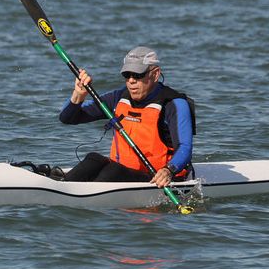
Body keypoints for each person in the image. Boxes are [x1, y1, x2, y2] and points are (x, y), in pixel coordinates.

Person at [59, 46, 195, 188]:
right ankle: (63, 186)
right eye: (127, 75)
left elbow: (185, 147)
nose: (131, 81)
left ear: (155, 74)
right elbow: (68, 118)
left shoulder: (174, 104)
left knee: (113, 171)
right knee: (93, 159)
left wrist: (169, 170)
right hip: (121, 172)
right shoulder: (118, 98)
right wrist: (78, 96)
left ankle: (80, 193)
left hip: (159, 178)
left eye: (138, 75)